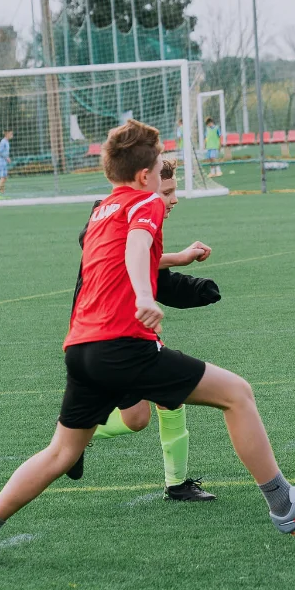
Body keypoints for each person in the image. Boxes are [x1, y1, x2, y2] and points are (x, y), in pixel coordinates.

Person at [0, 120, 295, 561]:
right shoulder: (146, 202)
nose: (164, 181)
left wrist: (178, 258)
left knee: (61, 452)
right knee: (237, 394)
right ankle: (285, 504)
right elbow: (137, 247)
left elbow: (122, 254)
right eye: (159, 169)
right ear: (144, 176)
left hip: (80, 348)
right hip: (122, 345)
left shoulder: (104, 209)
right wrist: (142, 296)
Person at [69, 159, 221, 502]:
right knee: (203, 396)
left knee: (138, 417)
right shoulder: (114, 211)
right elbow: (126, 256)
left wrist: (189, 280)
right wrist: (178, 263)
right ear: (146, 181)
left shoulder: (141, 214)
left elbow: (147, 265)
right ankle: (77, 432)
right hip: (109, 333)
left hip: (127, 328)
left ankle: (79, 433)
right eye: (167, 191)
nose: (173, 199)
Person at [0, 129, 13, 196]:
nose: (12, 135)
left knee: (4, 177)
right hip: (0, 161)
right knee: (3, 177)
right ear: (7, 134)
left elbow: (5, 152)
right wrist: (6, 157)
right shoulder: (3, 142)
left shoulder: (6, 142)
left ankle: (2, 194)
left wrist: (7, 158)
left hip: (3, 161)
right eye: (11, 134)